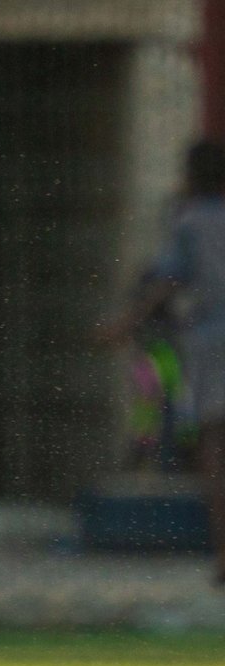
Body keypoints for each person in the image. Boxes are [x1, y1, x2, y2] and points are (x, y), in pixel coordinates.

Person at [100, 140, 225, 586]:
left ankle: (223, 556)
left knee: (214, 441)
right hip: (197, 343)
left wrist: (124, 323)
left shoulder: (190, 221)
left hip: (211, 339)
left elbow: (168, 279)